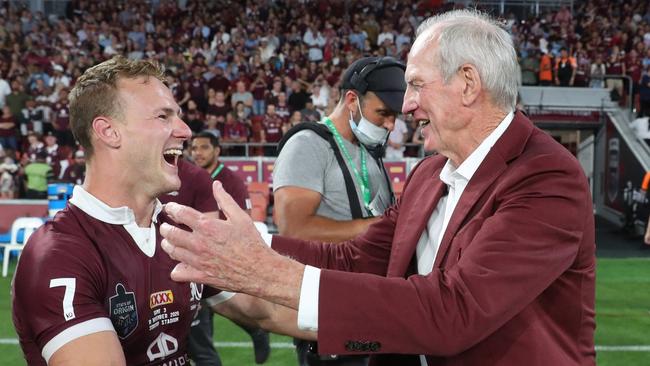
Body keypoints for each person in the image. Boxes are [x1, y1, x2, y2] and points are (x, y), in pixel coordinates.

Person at [160, 9, 596, 365]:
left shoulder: (547, 178)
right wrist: (253, 243)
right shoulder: (431, 174)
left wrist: (271, 275)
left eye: (416, 85)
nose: (406, 105)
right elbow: (357, 258)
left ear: (467, 83)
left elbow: (454, 312)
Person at [12, 56, 308, 366]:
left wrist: (262, 266)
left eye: (178, 116)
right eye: (163, 116)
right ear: (108, 131)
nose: (185, 131)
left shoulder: (177, 233)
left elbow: (270, 311)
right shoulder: (59, 255)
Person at [273, 56, 405, 365]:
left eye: (395, 116)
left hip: (373, 309)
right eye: (383, 113)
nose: (390, 125)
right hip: (333, 318)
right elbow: (294, 231)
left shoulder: (368, 152)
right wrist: (382, 227)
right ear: (351, 100)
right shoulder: (307, 144)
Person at [187, 131, 271, 365]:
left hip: (219, 254)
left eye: (203, 148)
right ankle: (253, 331)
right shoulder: (189, 177)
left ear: (217, 150)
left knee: (205, 310)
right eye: (194, 148)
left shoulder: (230, 180)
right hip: (194, 253)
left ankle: (255, 330)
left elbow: (243, 220)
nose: (198, 153)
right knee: (203, 312)